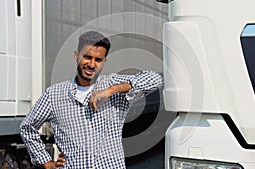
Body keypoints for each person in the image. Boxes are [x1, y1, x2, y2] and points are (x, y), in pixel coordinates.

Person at [20, 31, 163, 169]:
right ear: (76, 56)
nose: (92, 64)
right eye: (87, 57)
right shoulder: (54, 94)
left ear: (104, 61)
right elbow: (27, 127)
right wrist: (47, 162)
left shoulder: (112, 84)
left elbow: (155, 79)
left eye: (98, 60)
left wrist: (110, 91)